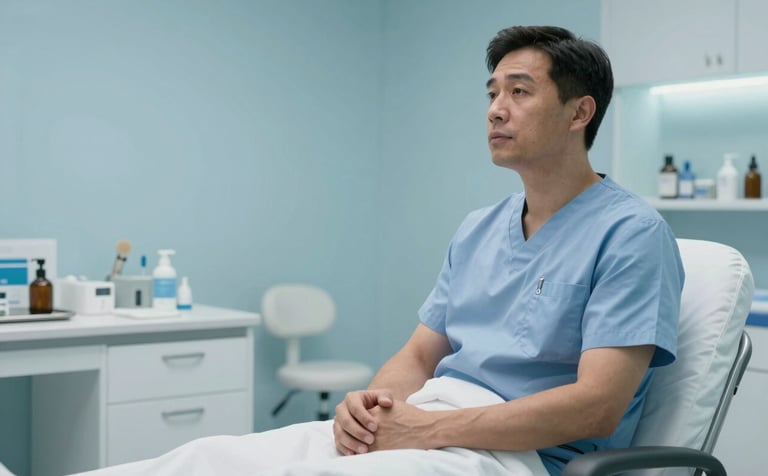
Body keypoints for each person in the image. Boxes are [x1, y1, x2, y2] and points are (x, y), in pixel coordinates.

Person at [69, 25, 684, 476]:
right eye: (492, 92)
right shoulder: (479, 228)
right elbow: (419, 352)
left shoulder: (629, 234)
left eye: (519, 92)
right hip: (433, 426)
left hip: (515, 454)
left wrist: (428, 429)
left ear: (581, 112)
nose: (496, 109)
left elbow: (597, 406)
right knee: (206, 458)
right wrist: (373, 408)